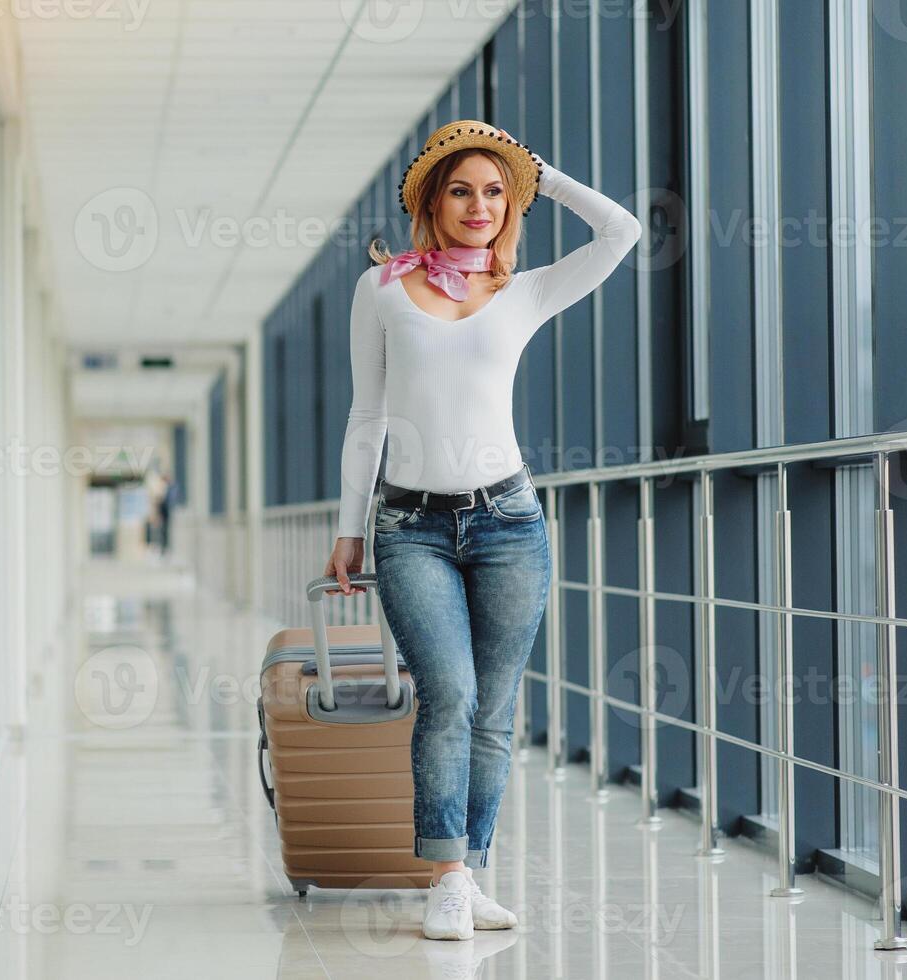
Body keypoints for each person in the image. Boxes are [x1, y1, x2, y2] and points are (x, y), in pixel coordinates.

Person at [321, 120, 641, 941]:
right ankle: (446, 874)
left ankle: (469, 866)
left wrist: (542, 170)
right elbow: (365, 413)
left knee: (494, 708)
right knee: (450, 694)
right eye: (461, 189)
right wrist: (347, 526)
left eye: (495, 192)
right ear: (433, 200)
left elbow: (621, 232)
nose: (479, 205)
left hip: (508, 522)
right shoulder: (382, 288)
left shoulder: (523, 291)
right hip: (409, 525)